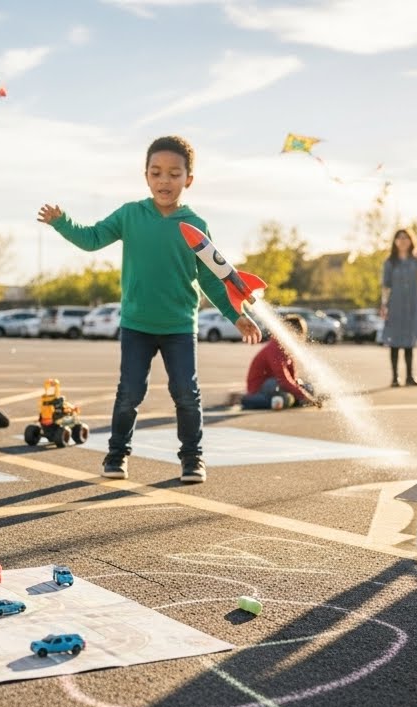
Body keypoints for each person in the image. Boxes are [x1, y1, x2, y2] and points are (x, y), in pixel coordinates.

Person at [38, 135, 260, 484]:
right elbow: (92, 238)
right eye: (156, 173)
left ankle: (192, 459)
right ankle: (116, 455)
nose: (164, 181)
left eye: (174, 174)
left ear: (189, 179)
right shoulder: (130, 215)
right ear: (146, 176)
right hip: (137, 325)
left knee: (186, 394)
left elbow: (213, 280)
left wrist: (238, 316)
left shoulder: (195, 226)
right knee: (129, 393)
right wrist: (62, 222)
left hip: (179, 327)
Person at [380, 228, 417, 387]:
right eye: (399, 238)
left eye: (406, 238)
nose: (402, 240)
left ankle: (410, 376)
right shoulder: (390, 262)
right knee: (394, 341)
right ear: (395, 241)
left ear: (411, 240)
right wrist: (383, 305)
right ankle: (395, 378)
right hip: (395, 305)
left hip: (412, 305)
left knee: (409, 341)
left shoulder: (416, 260)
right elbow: (386, 286)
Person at [239, 315, 318, 410]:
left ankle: (288, 399)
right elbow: (283, 379)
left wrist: (304, 392)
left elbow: (293, 376)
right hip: (260, 389)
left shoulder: (287, 348)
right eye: (298, 334)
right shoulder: (274, 348)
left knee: (307, 387)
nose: (300, 338)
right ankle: (250, 400)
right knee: (279, 389)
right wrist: (304, 396)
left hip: (277, 386)